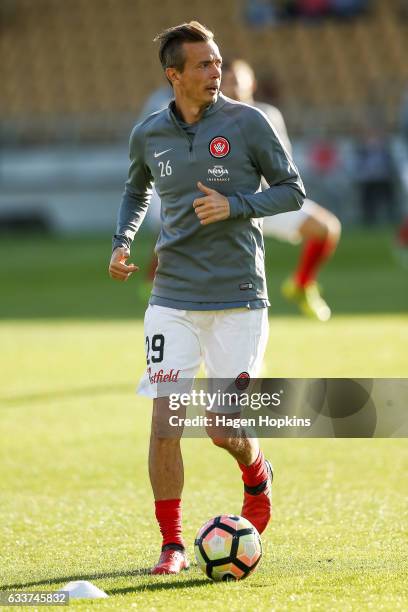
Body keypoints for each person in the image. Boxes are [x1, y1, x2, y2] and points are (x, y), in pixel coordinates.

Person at [109, 21, 305, 575]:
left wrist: (236, 204)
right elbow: (135, 187)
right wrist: (123, 240)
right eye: (202, 64)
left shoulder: (250, 124)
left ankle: (256, 470)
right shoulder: (148, 133)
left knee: (221, 426)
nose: (215, 71)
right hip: (171, 298)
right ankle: (171, 545)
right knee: (166, 420)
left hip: (240, 298)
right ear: (174, 75)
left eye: (217, 61)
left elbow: (293, 190)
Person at [222, 59, 341, 322]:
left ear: (251, 82)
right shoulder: (210, 117)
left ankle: (301, 284)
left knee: (326, 228)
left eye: (238, 80)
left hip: (267, 199)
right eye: (227, 81)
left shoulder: (268, 114)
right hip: (230, 206)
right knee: (238, 281)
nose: (233, 86)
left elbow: (282, 162)